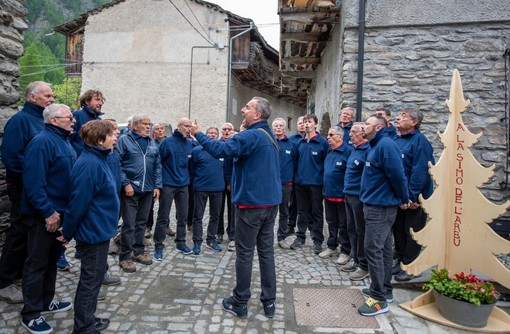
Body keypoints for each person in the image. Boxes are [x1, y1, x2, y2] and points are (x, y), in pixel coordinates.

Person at [191, 96, 281, 319]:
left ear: (257, 115)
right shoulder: (268, 135)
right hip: (270, 204)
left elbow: (220, 150)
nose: (242, 110)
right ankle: (269, 303)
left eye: (247, 107)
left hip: (251, 205)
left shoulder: (251, 135)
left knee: (244, 253)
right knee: (266, 254)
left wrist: (198, 133)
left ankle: (240, 301)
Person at [20, 104, 76, 333]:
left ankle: (46, 300)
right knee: (36, 264)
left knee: (52, 260)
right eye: (69, 117)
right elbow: (33, 182)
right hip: (44, 216)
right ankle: (31, 313)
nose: (73, 120)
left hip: (60, 213)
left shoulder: (64, 141)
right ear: (54, 120)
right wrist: (47, 212)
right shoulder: (41, 142)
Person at [62, 120, 119, 333]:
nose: (115, 137)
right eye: (111, 134)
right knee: (90, 282)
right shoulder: (90, 164)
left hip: (100, 230)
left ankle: (88, 319)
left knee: (93, 281)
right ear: (98, 139)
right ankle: (83, 327)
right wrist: (67, 232)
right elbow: (77, 203)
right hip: (93, 232)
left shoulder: (99, 158)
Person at [0, 81, 54, 304]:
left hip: (41, 188)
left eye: (52, 95)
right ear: (32, 97)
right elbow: (11, 157)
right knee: (18, 233)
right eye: (47, 95)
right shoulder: (20, 121)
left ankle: (22, 275)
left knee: (33, 236)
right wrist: (35, 177)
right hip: (24, 188)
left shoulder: (43, 120)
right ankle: (4, 282)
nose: (52, 98)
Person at [358, 115, 408, 316]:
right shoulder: (376, 144)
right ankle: (385, 289)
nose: (363, 126)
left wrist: (404, 198)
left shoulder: (385, 145)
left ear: (378, 127)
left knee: (373, 249)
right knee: (385, 249)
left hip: (381, 208)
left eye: (367, 124)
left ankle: (378, 299)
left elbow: (397, 174)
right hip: (375, 205)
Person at [58, 90, 105, 272]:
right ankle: (60, 254)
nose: (100, 103)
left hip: (92, 165)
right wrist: (77, 158)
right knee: (74, 207)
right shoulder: (77, 116)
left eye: (101, 100)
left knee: (86, 210)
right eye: (96, 99)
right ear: (86, 101)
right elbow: (68, 138)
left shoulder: (99, 121)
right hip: (80, 166)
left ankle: (80, 248)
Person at [392, 108, 434, 281]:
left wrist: (411, 196)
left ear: (414, 122)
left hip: (414, 198)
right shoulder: (397, 140)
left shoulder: (420, 142)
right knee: (399, 229)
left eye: (403, 117)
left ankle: (412, 266)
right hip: (400, 196)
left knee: (412, 232)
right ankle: (401, 260)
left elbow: (420, 171)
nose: (397, 118)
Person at [117, 114, 162, 273]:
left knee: (141, 223)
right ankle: (125, 257)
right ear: (134, 125)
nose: (148, 127)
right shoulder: (124, 140)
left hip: (148, 189)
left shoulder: (151, 142)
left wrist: (157, 185)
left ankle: (138, 251)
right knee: (129, 224)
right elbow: (118, 163)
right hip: (131, 190)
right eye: (144, 124)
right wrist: (126, 183)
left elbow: (157, 166)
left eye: (149, 124)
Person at [153, 118, 194, 260]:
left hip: (183, 185)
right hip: (168, 184)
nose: (189, 129)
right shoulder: (167, 142)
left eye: (190, 126)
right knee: (163, 216)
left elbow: (190, 165)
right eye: (186, 126)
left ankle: (181, 242)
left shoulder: (189, 144)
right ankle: (158, 246)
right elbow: (158, 163)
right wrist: (158, 183)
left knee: (183, 216)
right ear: (178, 126)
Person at [290, 114, 329, 254]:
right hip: (300, 183)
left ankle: (317, 240)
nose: (306, 124)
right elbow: (295, 163)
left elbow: (327, 164)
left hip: (316, 184)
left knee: (317, 213)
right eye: (305, 122)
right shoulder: (300, 143)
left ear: (316, 125)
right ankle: (300, 237)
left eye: (310, 122)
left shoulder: (323, 143)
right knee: (302, 211)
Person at [319, 127, 353, 263]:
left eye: (331, 135)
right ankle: (331, 246)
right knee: (331, 222)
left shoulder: (348, 152)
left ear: (340, 137)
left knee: (344, 224)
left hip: (342, 196)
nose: (328, 137)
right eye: (328, 134)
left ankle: (345, 251)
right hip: (328, 194)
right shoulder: (329, 151)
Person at [189, 126, 224, 255]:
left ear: (217, 136)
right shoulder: (197, 151)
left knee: (215, 216)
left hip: (218, 188)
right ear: (205, 135)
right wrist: (195, 183)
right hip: (201, 188)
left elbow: (226, 170)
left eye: (215, 133)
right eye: (210, 133)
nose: (212, 135)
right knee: (198, 216)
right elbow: (191, 169)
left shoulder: (221, 151)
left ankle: (211, 240)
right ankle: (197, 242)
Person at [343, 122, 371, 281]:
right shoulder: (354, 149)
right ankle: (355, 258)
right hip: (349, 195)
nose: (350, 134)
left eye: (354, 132)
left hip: (359, 197)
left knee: (361, 231)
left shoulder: (367, 150)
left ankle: (364, 265)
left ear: (363, 133)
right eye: (350, 132)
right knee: (351, 229)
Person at [272, 118, 296, 249]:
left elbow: (295, 163)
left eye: (281, 126)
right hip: (270, 184)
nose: (278, 128)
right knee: (269, 212)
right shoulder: (269, 142)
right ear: (273, 128)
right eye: (276, 126)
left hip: (286, 184)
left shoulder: (291, 144)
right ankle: (266, 238)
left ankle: (281, 237)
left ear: (284, 128)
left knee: (284, 212)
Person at [146, 123, 172, 238]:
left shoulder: (170, 142)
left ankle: (166, 226)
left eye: (161, 129)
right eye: (157, 129)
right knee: (149, 204)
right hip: (153, 178)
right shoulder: (150, 143)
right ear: (153, 132)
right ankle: (148, 227)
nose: (160, 131)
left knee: (165, 204)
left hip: (166, 177)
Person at [286, 116, 305, 236]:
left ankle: (306, 227)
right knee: (293, 204)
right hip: (294, 176)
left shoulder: (310, 138)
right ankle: (290, 225)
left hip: (306, 176)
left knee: (305, 205)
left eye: (304, 122)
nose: (302, 125)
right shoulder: (291, 139)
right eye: (300, 123)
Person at [216, 122, 235, 246]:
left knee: (233, 210)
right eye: (224, 129)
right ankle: (219, 232)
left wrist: (230, 181)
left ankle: (232, 233)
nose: (227, 131)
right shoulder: (217, 145)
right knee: (218, 209)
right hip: (218, 182)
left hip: (232, 183)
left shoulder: (235, 145)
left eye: (229, 129)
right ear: (221, 131)